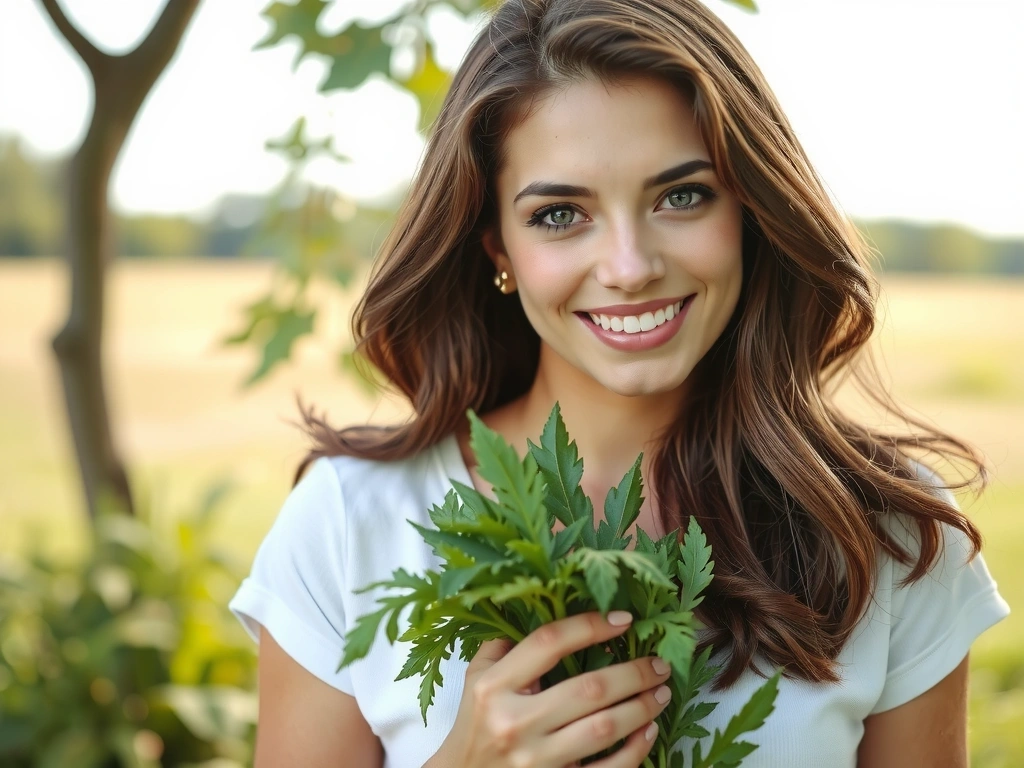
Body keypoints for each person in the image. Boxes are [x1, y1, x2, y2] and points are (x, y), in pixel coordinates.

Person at [228, 1, 1011, 766]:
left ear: (750, 208)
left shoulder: (888, 535)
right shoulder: (343, 526)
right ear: (496, 246)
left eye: (682, 196)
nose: (631, 268)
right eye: (561, 215)